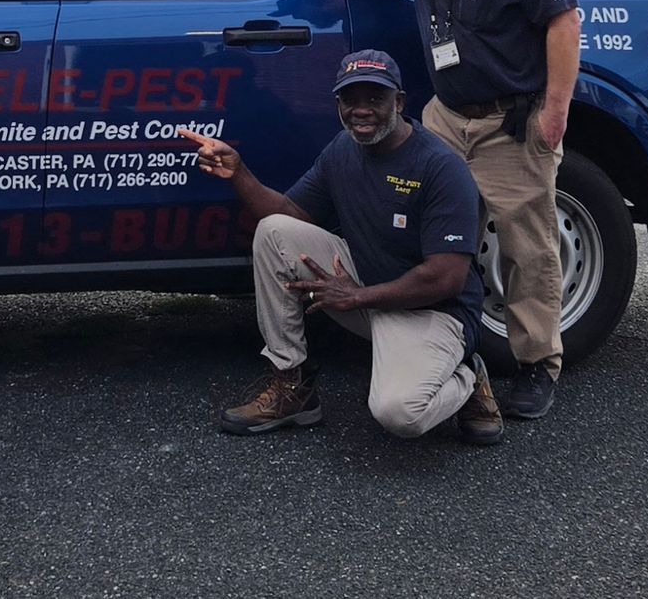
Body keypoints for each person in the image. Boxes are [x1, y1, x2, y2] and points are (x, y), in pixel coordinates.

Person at [322, 0, 581, 420]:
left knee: (525, 247)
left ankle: (539, 363)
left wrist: (556, 110)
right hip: (444, 117)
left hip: (508, 122)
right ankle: (449, 351)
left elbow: (563, 22)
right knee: (428, 236)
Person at [182, 50, 502, 446]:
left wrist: (357, 295)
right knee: (274, 230)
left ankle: (467, 378)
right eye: (351, 100)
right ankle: (291, 386)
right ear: (338, 105)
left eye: (375, 98)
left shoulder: (439, 167)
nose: (361, 110)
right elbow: (289, 212)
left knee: (399, 414)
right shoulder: (342, 151)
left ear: (399, 103)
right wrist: (239, 173)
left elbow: (447, 278)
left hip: (431, 313)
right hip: (365, 293)